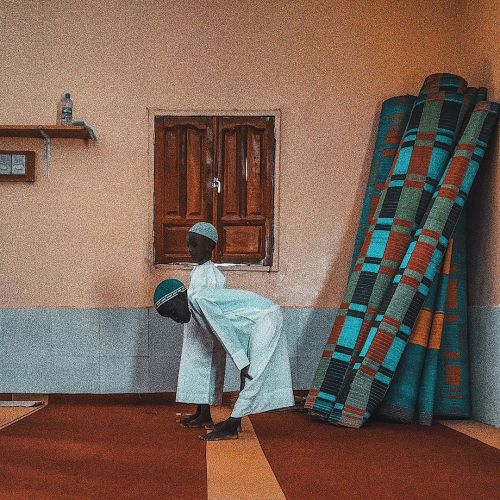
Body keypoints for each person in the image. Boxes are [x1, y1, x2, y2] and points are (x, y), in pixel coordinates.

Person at [154, 279, 294, 441]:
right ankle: (236, 421)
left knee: (253, 373)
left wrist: (242, 362)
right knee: (248, 373)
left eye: (172, 312)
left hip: (266, 318)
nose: (175, 319)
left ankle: (232, 426)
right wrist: (242, 363)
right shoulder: (195, 304)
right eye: (170, 317)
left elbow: (223, 329)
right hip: (256, 322)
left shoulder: (200, 299)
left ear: (180, 297)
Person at [176, 222, 226, 429]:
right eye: (188, 245)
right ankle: (200, 411)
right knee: (195, 372)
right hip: (196, 332)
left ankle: (206, 414)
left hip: (208, 334)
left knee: (206, 372)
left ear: (210, 247)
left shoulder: (213, 276)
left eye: (194, 245)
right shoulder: (198, 272)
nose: (190, 250)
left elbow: (211, 306)